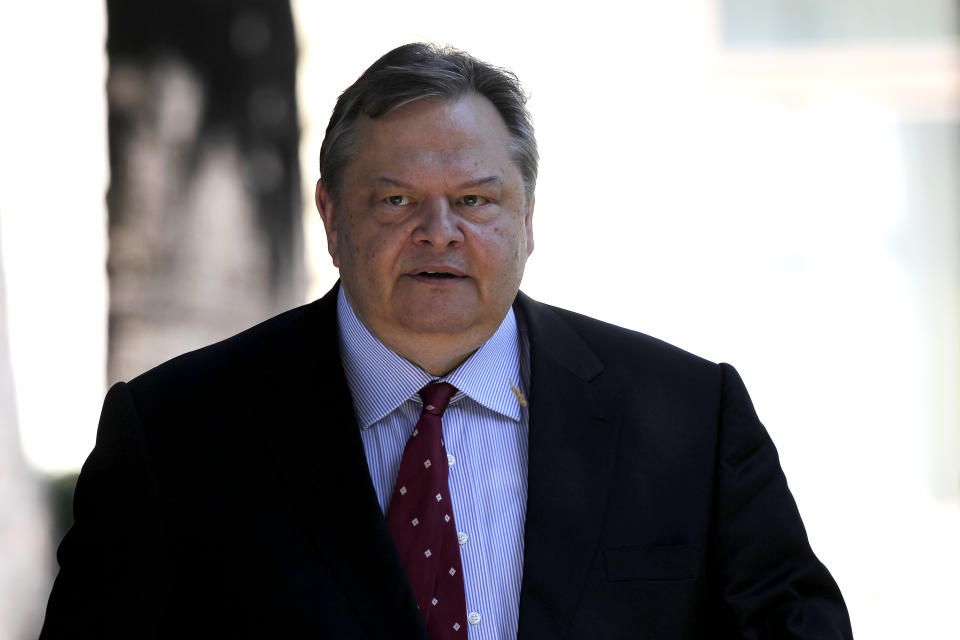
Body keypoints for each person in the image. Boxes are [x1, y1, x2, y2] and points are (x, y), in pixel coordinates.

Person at [41, 43, 853, 639]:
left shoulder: (687, 417)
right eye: (395, 201)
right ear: (330, 215)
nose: (440, 233)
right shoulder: (177, 433)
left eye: (475, 199)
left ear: (528, 217)